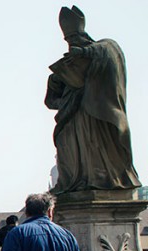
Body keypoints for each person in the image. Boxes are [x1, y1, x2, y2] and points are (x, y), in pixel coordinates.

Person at [46, 5, 140, 195]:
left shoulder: (105, 48)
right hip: (73, 117)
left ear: (84, 34)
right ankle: (75, 182)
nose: (71, 43)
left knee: (98, 149)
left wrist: (85, 53)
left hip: (99, 114)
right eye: (68, 39)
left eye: (74, 38)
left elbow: (110, 51)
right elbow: (50, 102)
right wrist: (56, 81)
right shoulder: (70, 63)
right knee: (66, 145)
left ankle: (104, 179)